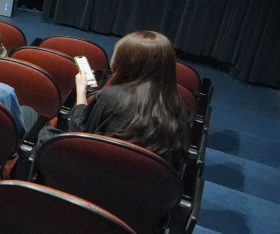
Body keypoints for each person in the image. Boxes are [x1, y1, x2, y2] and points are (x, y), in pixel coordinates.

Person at [62, 31, 190, 162]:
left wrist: (81, 92)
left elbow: (81, 137)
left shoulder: (110, 97)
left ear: (122, 63)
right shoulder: (179, 108)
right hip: (147, 174)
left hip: (99, 168)